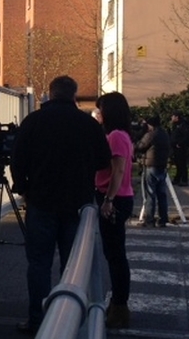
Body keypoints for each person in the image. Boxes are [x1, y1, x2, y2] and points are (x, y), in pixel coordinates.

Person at [10, 75, 112, 334]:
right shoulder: (87, 124)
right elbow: (103, 161)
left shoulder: (34, 121)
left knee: (39, 264)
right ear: (74, 94)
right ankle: (72, 321)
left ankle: (38, 320)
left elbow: (17, 159)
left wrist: (23, 188)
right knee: (75, 266)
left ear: (51, 93)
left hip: (41, 201)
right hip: (77, 203)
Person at [94, 92, 134, 329]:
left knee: (116, 255)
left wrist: (108, 199)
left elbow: (118, 170)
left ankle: (119, 306)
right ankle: (117, 303)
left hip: (115, 198)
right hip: (119, 196)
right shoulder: (121, 135)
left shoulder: (116, 136)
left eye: (100, 110)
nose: (98, 114)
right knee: (114, 253)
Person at [134, 115, 171, 227]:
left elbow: (140, 146)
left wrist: (138, 138)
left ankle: (149, 219)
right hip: (162, 165)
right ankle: (163, 219)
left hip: (151, 165)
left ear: (150, 125)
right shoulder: (164, 134)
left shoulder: (151, 135)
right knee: (162, 194)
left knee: (150, 194)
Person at [170, 111, 189, 186]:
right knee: (178, 164)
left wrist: (179, 144)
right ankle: (177, 179)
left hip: (181, 148)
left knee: (182, 164)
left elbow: (186, 136)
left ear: (177, 117)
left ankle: (184, 180)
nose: (171, 118)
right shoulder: (177, 125)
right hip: (176, 147)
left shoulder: (183, 125)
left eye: (173, 116)